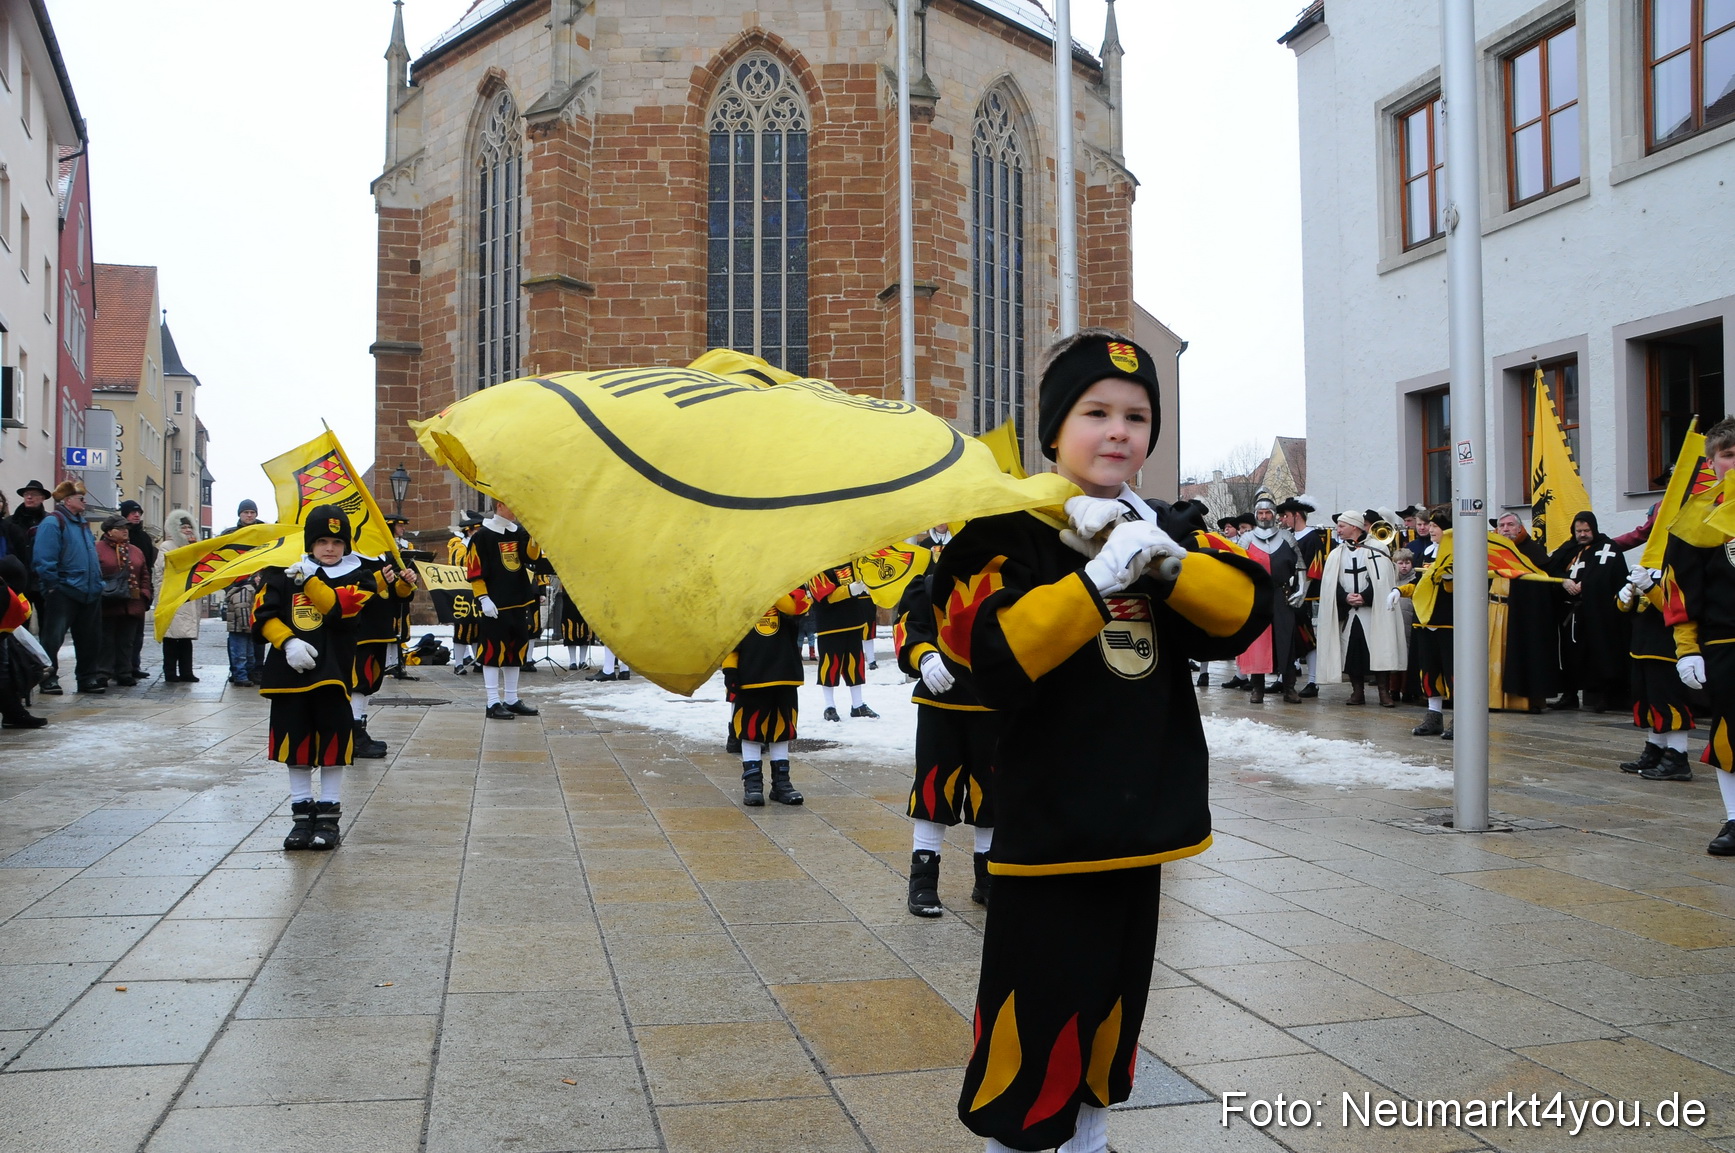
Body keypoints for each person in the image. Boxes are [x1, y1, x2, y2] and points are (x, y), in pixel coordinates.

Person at [937, 330, 1270, 1153]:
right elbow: (992, 651)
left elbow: (1244, 611)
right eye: (1095, 412)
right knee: (1031, 1040)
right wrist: (1093, 580)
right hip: (1050, 830)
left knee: (1105, 1035)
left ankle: (1088, 1144)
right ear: (1054, 429)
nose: (1117, 430)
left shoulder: (1161, 526)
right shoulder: (1005, 531)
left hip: (1140, 825)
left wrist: (1160, 561)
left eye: (1135, 415)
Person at [253, 505, 376, 850]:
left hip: (334, 674)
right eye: (322, 540)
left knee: (334, 745)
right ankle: (301, 816)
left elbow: (340, 610)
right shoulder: (280, 572)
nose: (329, 548)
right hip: (289, 675)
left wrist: (308, 579)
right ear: (310, 543)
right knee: (298, 745)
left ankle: (328, 818)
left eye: (337, 541)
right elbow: (262, 615)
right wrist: (287, 641)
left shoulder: (360, 576)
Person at [895, 525, 999, 917]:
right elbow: (908, 625)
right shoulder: (930, 582)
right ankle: (923, 876)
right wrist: (923, 655)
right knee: (934, 784)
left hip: (992, 700)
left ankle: (988, 875)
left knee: (991, 786)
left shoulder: (1006, 582)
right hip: (941, 701)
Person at [1663, 417, 1735, 854]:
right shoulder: (1696, 520)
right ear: (1712, 462)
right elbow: (1683, 591)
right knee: (1730, 733)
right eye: (1728, 454)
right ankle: (1734, 819)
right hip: (1727, 643)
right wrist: (1688, 650)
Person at [721, 586, 813, 806]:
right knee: (751, 730)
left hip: (784, 673)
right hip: (750, 674)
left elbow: (796, 608)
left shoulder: (794, 589)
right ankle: (752, 783)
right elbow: (729, 639)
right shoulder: (739, 597)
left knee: (781, 729)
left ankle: (782, 783)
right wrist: (730, 669)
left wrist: (773, 586)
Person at [465, 500, 544, 719]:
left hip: (518, 601)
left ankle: (511, 698)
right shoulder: (482, 536)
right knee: (493, 651)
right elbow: (475, 569)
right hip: (495, 603)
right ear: (500, 505)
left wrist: (536, 536)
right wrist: (483, 598)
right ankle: (492, 703)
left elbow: (530, 557)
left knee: (515, 650)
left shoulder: (517, 531)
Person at [1316, 511, 1403, 705]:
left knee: (1379, 649)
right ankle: (1357, 692)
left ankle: (1384, 692)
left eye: (1341, 526)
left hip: (1372, 611)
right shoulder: (1336, 553)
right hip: (1349, 612)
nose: (1338, 530)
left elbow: (1383, 581)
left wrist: (1365, 596)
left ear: (1354, 527)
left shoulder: (1377, 549)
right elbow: (1330, 584)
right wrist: (1345, 597)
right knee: (1352, 652)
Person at [1546, 512, 1631, 712]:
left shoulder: (1607, 548)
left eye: (1586, 530)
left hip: (1595, 613)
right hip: (1569, 612)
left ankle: (1602, 696)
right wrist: (1563, 581)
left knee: (1598, 653)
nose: (1582, 535)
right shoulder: (1569, 549)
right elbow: (1551, 568)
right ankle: (1569, 695)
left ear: (1594, 528)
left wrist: (1587, 584)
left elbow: (1607, 574)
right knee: (1569, 655)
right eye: (1579, 531)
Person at [1618, 561, 1694, 780]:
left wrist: (1650, 588)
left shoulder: (1680, 568)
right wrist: (1625, 598)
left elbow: (1676, 609)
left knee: (1670, 704)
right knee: (1649, 704)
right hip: (1641, 646)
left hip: (1666, 648)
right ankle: (1655, 750)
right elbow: (1624, 607)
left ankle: (1678, 757)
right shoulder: (1647, 565)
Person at [32, 480, 103, 695]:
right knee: (52, 639)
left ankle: (87, 678)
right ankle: (47, 677)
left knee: (89, 639)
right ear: (67, 500)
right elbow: (44, 559)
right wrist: (53, 587)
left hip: (89, 591)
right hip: (64, 590)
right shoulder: (53, 523)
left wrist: (98, 584)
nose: (84, 501)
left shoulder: (82, 524)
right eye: (81, 498)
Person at [1235, 493, 1302, 703]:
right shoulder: (1245, 540)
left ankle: (1289, 687)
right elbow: (1237, 569)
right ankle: (1257, 688)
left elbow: (1300, 566)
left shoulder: (1287, 537)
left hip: (1283, 595)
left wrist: (1301, 591)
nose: (1264, 517)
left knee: (1286, 641)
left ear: (1274, 514)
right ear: (1256, 515)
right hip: (1257, 597)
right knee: (1257, 642)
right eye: (1261, 513)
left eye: (1268, 512)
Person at [1404, 509, 1454, 738]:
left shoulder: (1457, 553)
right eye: (1430, 526)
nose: (1430, 530)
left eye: (1435, 526)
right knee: (1429, 668)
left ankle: (1461, 718)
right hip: (1425, 620)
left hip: (1448, 620)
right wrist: (1399, 590)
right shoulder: (1428, 551)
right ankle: (1434, 716)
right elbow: (1419, 582)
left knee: (1454, 671)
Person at [809, 563, 879, 720]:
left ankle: (858, 705)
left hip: (853, 620)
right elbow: (826, 596)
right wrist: (850, 590)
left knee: (855, 664)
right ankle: (829, 706)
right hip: (830, 625)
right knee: (830, 665)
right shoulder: (817, 566)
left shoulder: (852, 561)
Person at [95, 515, 150, 687]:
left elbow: (145, 574)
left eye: (126, 528)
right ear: (109, 531)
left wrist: (144, 594)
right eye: (120, 528)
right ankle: (103, 672)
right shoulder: (97, 548)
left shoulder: (135, 550)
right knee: (106, 639)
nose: (125, 531)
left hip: (132, 604)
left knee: (127, 641)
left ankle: (124, 672)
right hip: (108, 602)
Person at [1279, 497, 1325, 697]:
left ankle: (1313, 681)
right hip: (1285, 594)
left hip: (1304, 596)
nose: (1283, 520)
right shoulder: (1286, 536)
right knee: (1286, 636)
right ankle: (1283, 679)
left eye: (1286, 516)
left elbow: (1315, 569)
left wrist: (1301, 590)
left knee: (1308, 638)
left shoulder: (1312, 538)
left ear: (1296, 515)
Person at [154, 510, 203, 683]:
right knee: (171, 637)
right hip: (172, 595)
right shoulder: (167, 546)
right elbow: (164, 569)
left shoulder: (195, 546)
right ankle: (170, 672)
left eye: (190, 527)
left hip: (188, 597)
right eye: (183, 527)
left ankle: (186, 671)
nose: (188, 530)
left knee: (185, 637)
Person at [0, 555, 45, 727]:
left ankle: (14, 714)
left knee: (4, 671)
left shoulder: (11, 596)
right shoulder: (6, 594)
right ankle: (15, 714)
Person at [118, 501, 158, 679]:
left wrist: (148, 591)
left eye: (138, 513)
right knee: (120, 633)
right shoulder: (117, 537)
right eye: (132, 512)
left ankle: (134, 665)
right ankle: (119, 666)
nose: (136, 515)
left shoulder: (143, 538)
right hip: (118, 592)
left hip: (139, 592)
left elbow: (148, 567)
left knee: (137, 633)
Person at [446, 511, 483, 672]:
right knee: (462, 628)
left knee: (478, 627)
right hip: (462, 591)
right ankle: (459, 663)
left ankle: (478, 662)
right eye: (478, 530)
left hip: (477, 590)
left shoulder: (480, 545)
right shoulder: (459, 548)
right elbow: (458, 567)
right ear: (470, 531)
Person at [223, 574, 260, 687]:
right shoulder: (246, 590)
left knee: (247, 654)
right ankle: (241, 677)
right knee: (241, 654)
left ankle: (244, 675)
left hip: (240, 628)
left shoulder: (245, 589)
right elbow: (242, 608)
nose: (259, 579)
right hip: (240, 629)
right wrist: (246, 626)